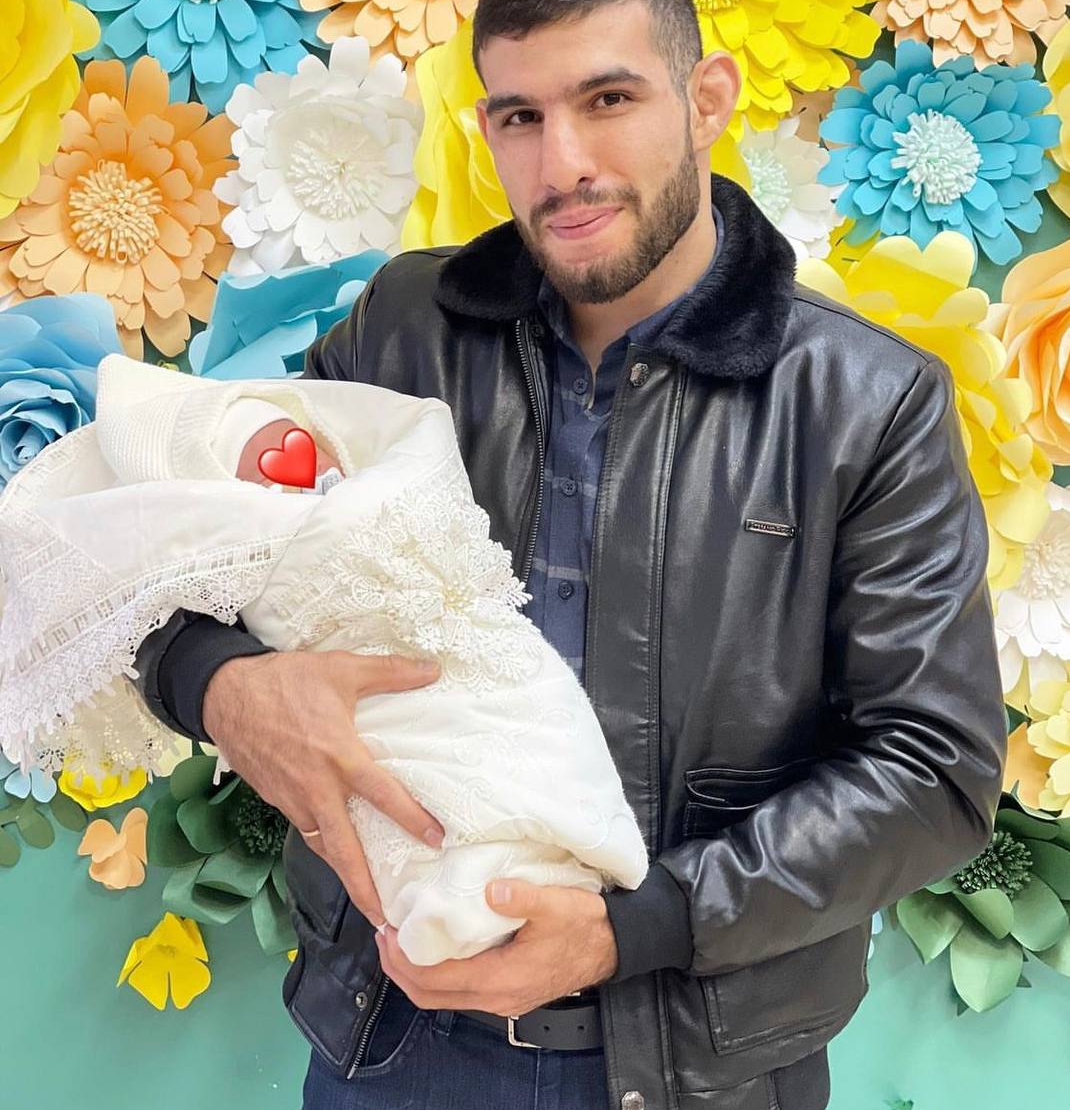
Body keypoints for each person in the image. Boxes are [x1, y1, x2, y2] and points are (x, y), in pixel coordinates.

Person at [130, 0, 1007, 1110]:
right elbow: (175, 554)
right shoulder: (402, 327)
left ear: (708, 99)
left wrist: (630, 927)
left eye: (609, 99)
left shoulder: (868, 400)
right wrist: (219, 681)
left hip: (705, 1070)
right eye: (520, 117)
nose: (564, 162)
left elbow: (934, 770)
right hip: (391, 1038)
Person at [0, 351, 649, 965]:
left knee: (533, 710)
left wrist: (653, 925)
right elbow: (137, 604)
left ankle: (558, 845)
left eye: (294, 443)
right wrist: (219, 679)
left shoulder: (386, 453)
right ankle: (479, 888)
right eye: (257, 463)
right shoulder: (398, 321)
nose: (301, 469)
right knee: (417, 792)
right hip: (371, 997)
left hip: (678, 1004)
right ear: (210, 497)